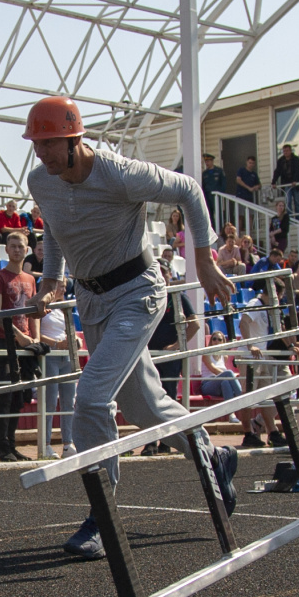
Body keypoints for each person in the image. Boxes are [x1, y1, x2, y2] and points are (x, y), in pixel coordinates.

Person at [22, 95, 237, 558]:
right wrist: (51, 281)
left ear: (74, 139)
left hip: (137, 294)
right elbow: (54, 229)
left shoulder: (118, 172)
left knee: (92, 396)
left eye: (49, 145)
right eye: (36, 146)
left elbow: (189, 191)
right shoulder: (42, 180)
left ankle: (103, 516)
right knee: (144, 408)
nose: (41, 155)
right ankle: (213, 457)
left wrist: (203, 255)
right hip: (92, 300)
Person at [0, 231, 43, 461]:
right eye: (13, 245)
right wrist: (21, 337)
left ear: (26, 250)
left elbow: (33, 313)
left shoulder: (30, 280)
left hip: (24, 345)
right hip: (2, 341)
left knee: (19, 396)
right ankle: (2, 447)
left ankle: (12, 444)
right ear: (6, 249)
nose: (17, 249)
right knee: (6, 394)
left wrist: (35, 338)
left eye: (21, 246)